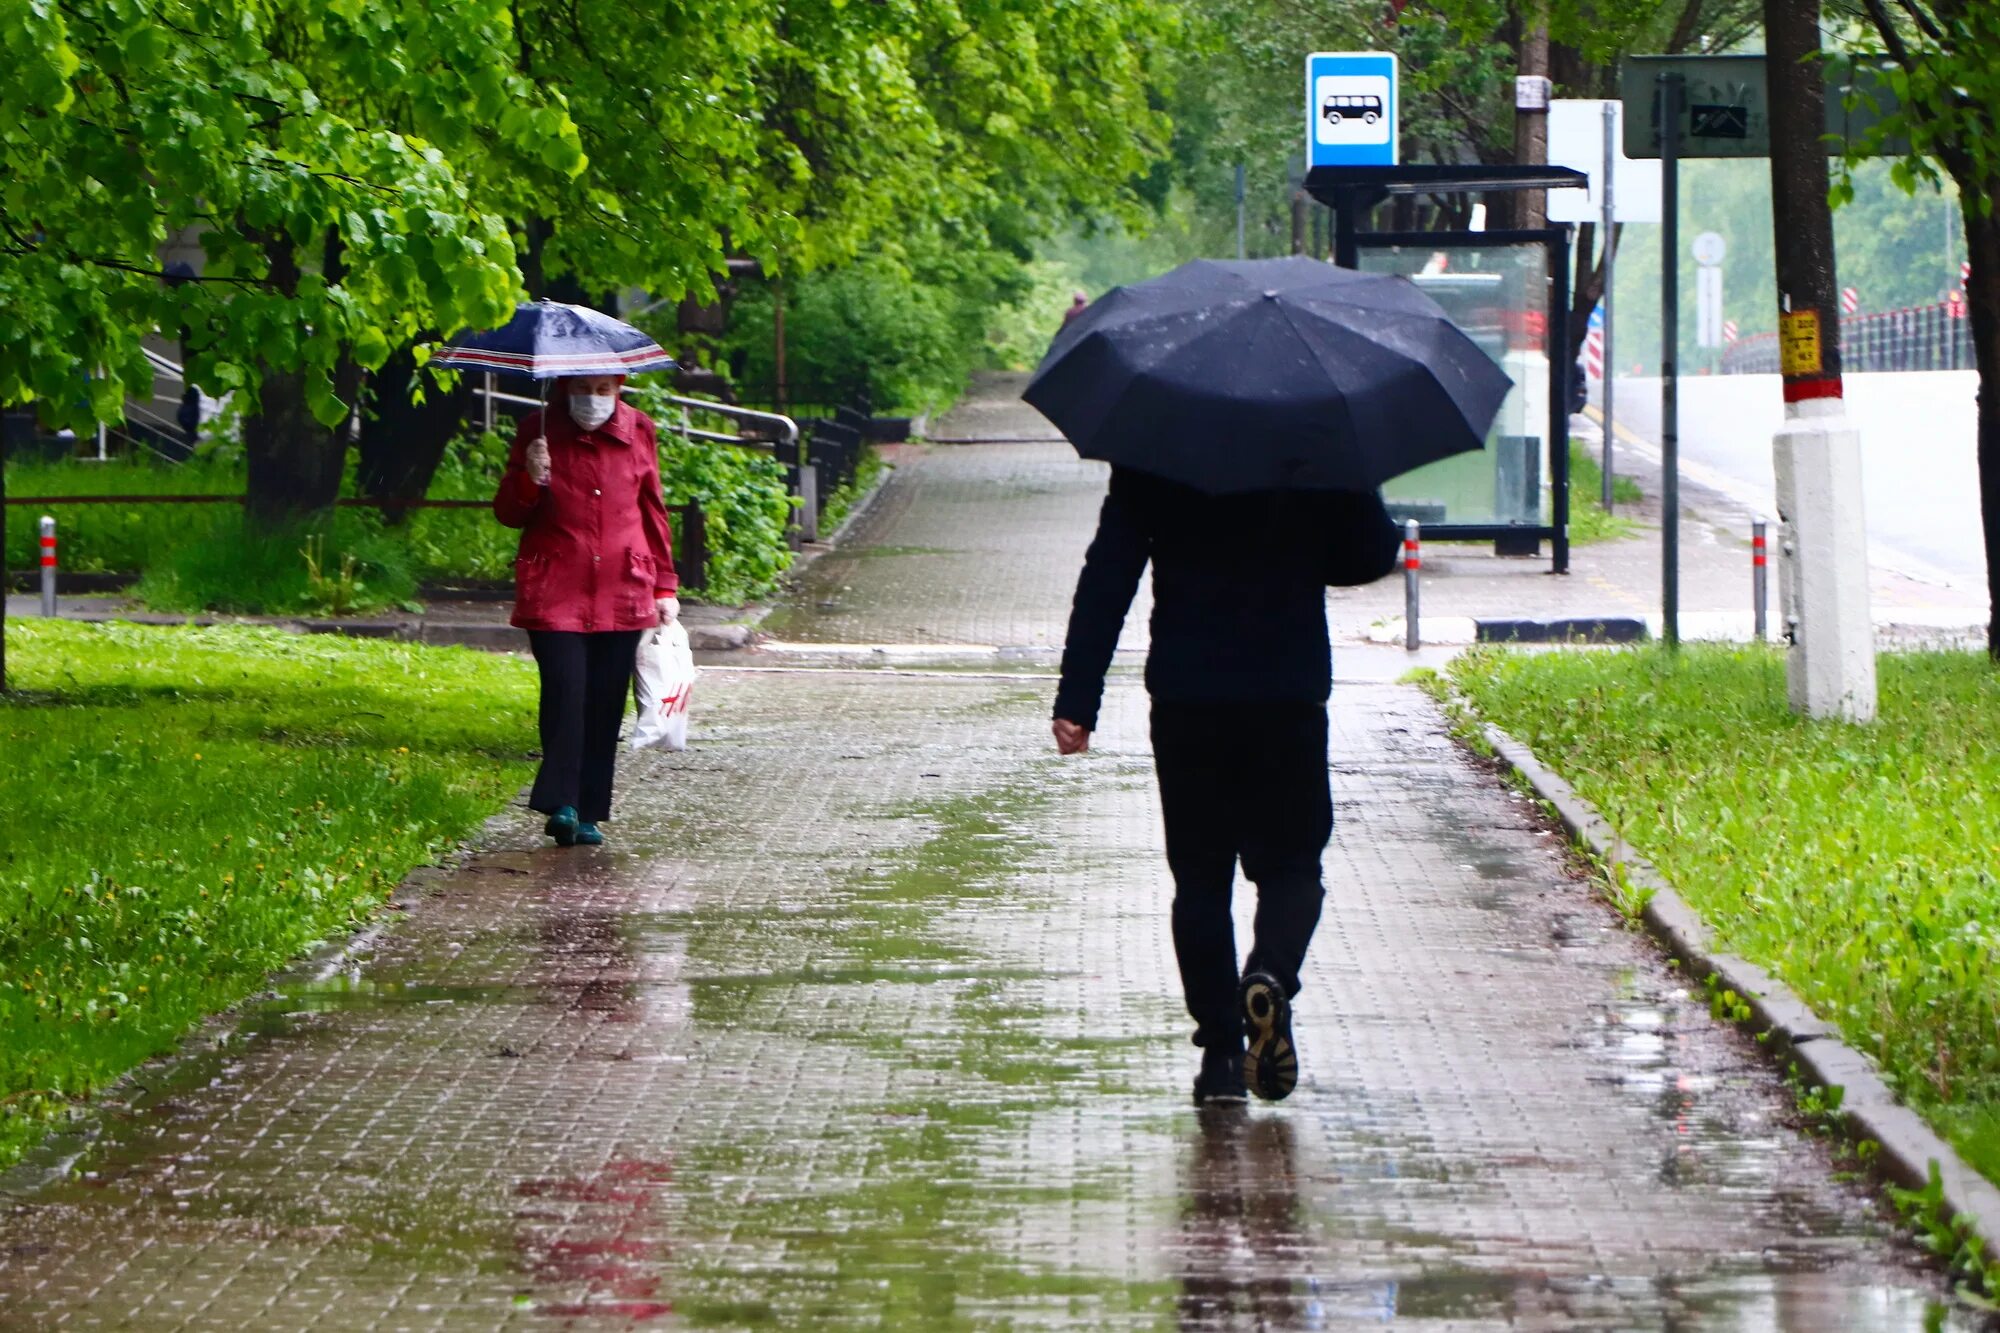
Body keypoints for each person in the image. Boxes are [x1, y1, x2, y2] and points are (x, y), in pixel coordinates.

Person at [1052, 469, 1398, 1106]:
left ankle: (1220, 1057)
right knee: (1294, 866)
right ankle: (1269, 975)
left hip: (1189, 696)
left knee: (1201, 879)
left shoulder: (1154, 446)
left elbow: (1110, 572)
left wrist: (1078, 698)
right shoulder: (1314, 438)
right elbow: (1372, 555)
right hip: (1286, 693)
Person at [494, 373, 679, 848]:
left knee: (604, 699)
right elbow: (509, 512)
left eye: (603, 391)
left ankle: (590, 811)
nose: (592, 400)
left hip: (624, 585)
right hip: (556, 586)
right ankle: (562, 803)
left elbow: (652, 509)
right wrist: (529, 480)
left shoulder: (640, 430)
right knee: (565, 690)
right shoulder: (537, 428)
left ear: (618, 390)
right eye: (583, 389)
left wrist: (665, 585)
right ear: (563, 388)